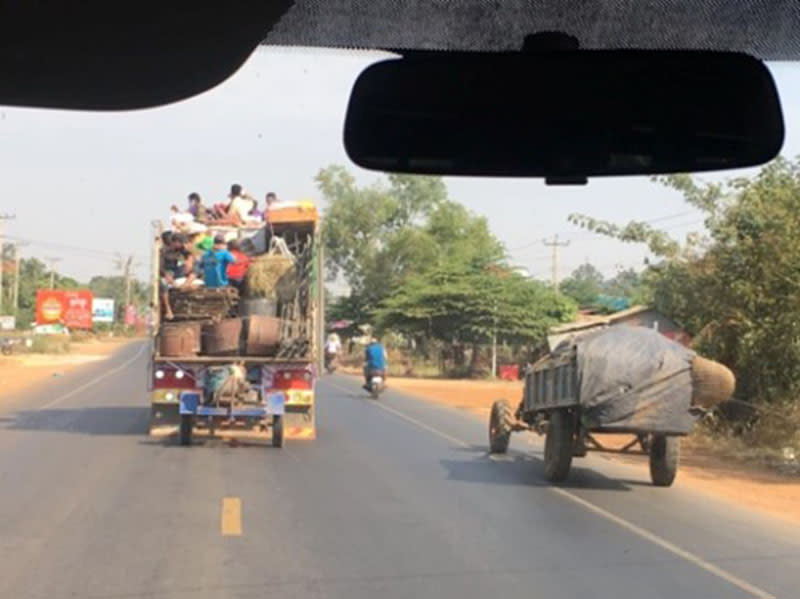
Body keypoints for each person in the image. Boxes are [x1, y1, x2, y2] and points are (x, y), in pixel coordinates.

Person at [159, 232, 195, 319]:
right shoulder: (164, 252)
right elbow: (160, 267)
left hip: (178, 272)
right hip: (167, 273)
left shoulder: (182, 250)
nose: (182, 244)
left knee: (193, 274)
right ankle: (168, 310)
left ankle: (185, 286)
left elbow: (190, 255)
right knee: (163, 285)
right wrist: (166, 275)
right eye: (181, 242)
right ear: (175, 242)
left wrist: (189, 261)